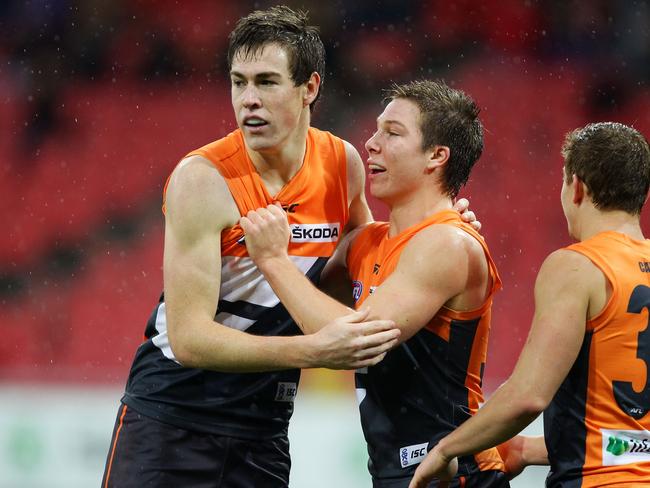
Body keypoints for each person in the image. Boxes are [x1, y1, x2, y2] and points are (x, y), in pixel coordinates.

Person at [101, 6, 477, 488]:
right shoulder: (203, 180)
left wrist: (442, 226)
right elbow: (190, 339)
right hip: (172, 419)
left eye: (267, 82)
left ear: (310, 88)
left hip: (265, 429)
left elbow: (363, 273)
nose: (248, 100)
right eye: (239, 82)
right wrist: (312, 348)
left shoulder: (342, 164)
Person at [240, 80, 508, 487]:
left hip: (453, 472)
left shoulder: (447, 242)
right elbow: (300, 306)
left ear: (437, 156)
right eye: (376, 128)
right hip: (393, 472)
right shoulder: (364, 243)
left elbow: (355, 340)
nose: (371, 143)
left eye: (392, 133)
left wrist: (274, 260)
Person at [408, 122, 650, 488]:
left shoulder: (577, 266)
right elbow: (629, 438)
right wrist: (528, 449)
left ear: (577, 187)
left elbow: (529, 396)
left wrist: (446, 449)